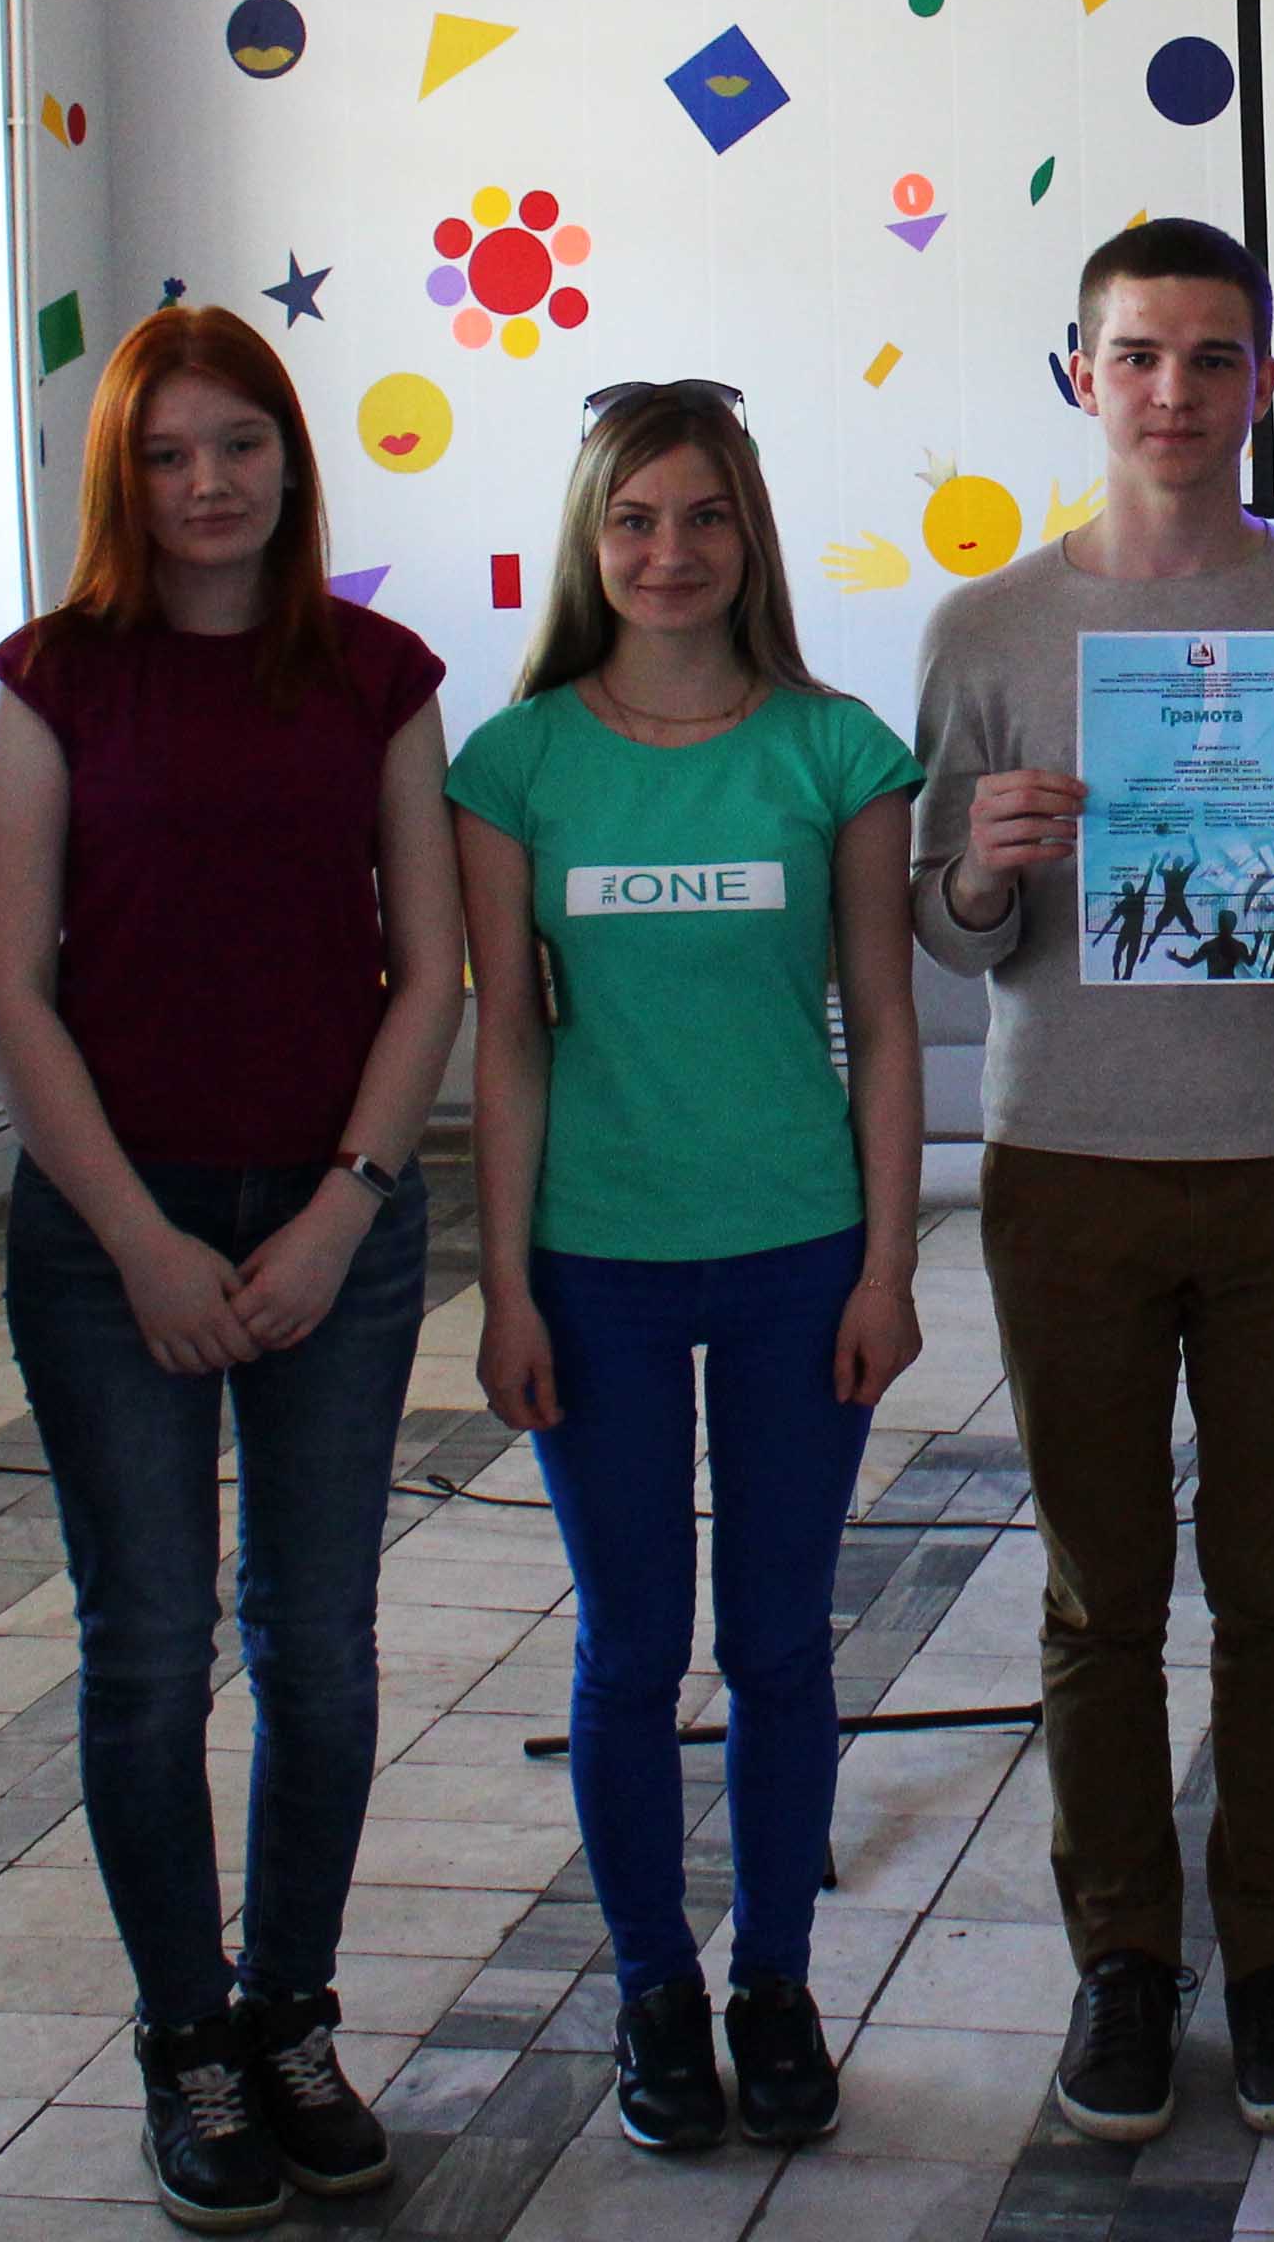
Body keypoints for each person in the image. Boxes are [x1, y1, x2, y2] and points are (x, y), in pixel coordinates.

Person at [911, 218, 1274, 2146]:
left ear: (1267, 383)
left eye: (1215, 357)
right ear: (1080, 374)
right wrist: (983, 868)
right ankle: (1124, 1961)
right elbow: (944, 932)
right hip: (1066, 1163)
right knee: (1099, 1595)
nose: (1174, 392)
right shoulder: (985, 630)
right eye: (1136, 354)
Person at [0, 306, 461, 2234]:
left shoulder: (377, 673)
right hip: (118, 1234)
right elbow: (15, 990)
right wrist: (140, 1243)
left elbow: (429, 969)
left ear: (289, 458)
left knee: (318, 1645)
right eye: (168, 453)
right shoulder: (47, 681)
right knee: (150, 1649)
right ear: (122, 474)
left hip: (336, 1212)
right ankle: (187, 2035)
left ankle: (291, 2018)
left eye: (239, 445)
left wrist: (346, 1205)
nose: (208, 484)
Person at [453, 381, 927, 2156]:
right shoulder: (516, 765)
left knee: (782, 1642)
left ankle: (775, 1982)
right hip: (599, 1267)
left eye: (705, 516)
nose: (670, 552)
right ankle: (656, 1987)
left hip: (801, 1256)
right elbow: (509, 1043)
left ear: (751, 536)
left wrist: (888, 1266)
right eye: (636, 519)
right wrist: (504, 1286)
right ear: (592, 542)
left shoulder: (836, 750)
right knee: (632, 1647)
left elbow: (884, 1024)